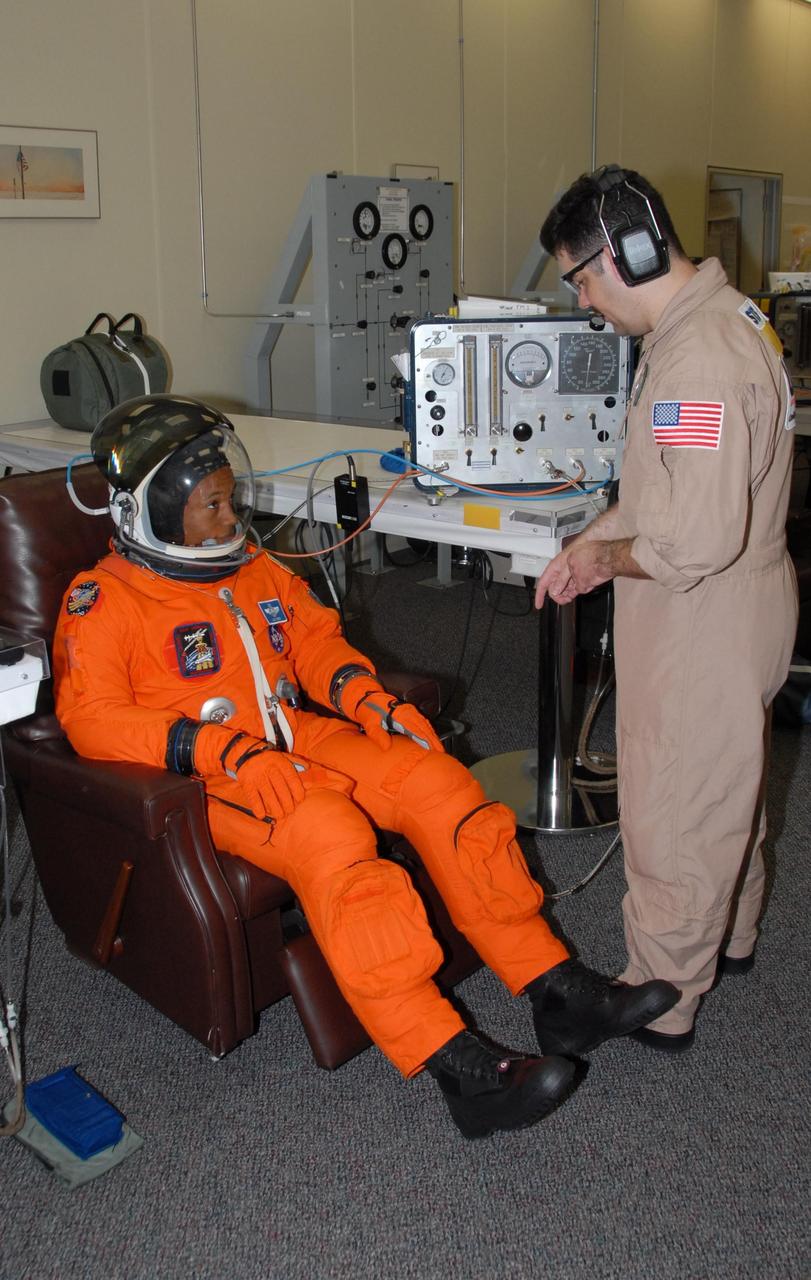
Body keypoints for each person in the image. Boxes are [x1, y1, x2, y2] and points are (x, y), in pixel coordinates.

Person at [53, 394, 678, 1138]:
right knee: (330, 834)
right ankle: (455, 1066)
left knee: (441, 783)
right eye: (212, 505)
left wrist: (365, 698)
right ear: (151, 509)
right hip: (209, 778)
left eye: (230, 498)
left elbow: (314, 642)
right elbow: (91, 719)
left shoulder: (250, 567)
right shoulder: (105, 600)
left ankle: (555, 992)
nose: (230, 518)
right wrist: (216, 749)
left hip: (294, 736)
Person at [535, 166, 798, 1051]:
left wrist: (605, 557)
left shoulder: (698, 362)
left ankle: (663, 994)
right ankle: (728, 938)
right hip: (736, 602)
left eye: (579, 278)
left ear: (624, 255)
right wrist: (592, 542)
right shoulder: (714, 324)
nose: (584, 301)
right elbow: (664, 491)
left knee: (676, 802)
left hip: (703, 611)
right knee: (726, 780)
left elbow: (693, 537)